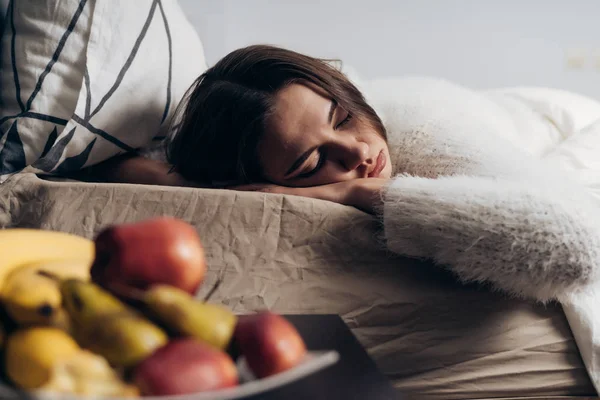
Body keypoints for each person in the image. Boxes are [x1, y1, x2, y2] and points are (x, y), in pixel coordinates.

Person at [92, 45, 600, 302]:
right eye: (312, 163)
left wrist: (353, 191)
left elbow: (575, 245)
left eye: (342, 116)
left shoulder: (423, 134)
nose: (356, 150)